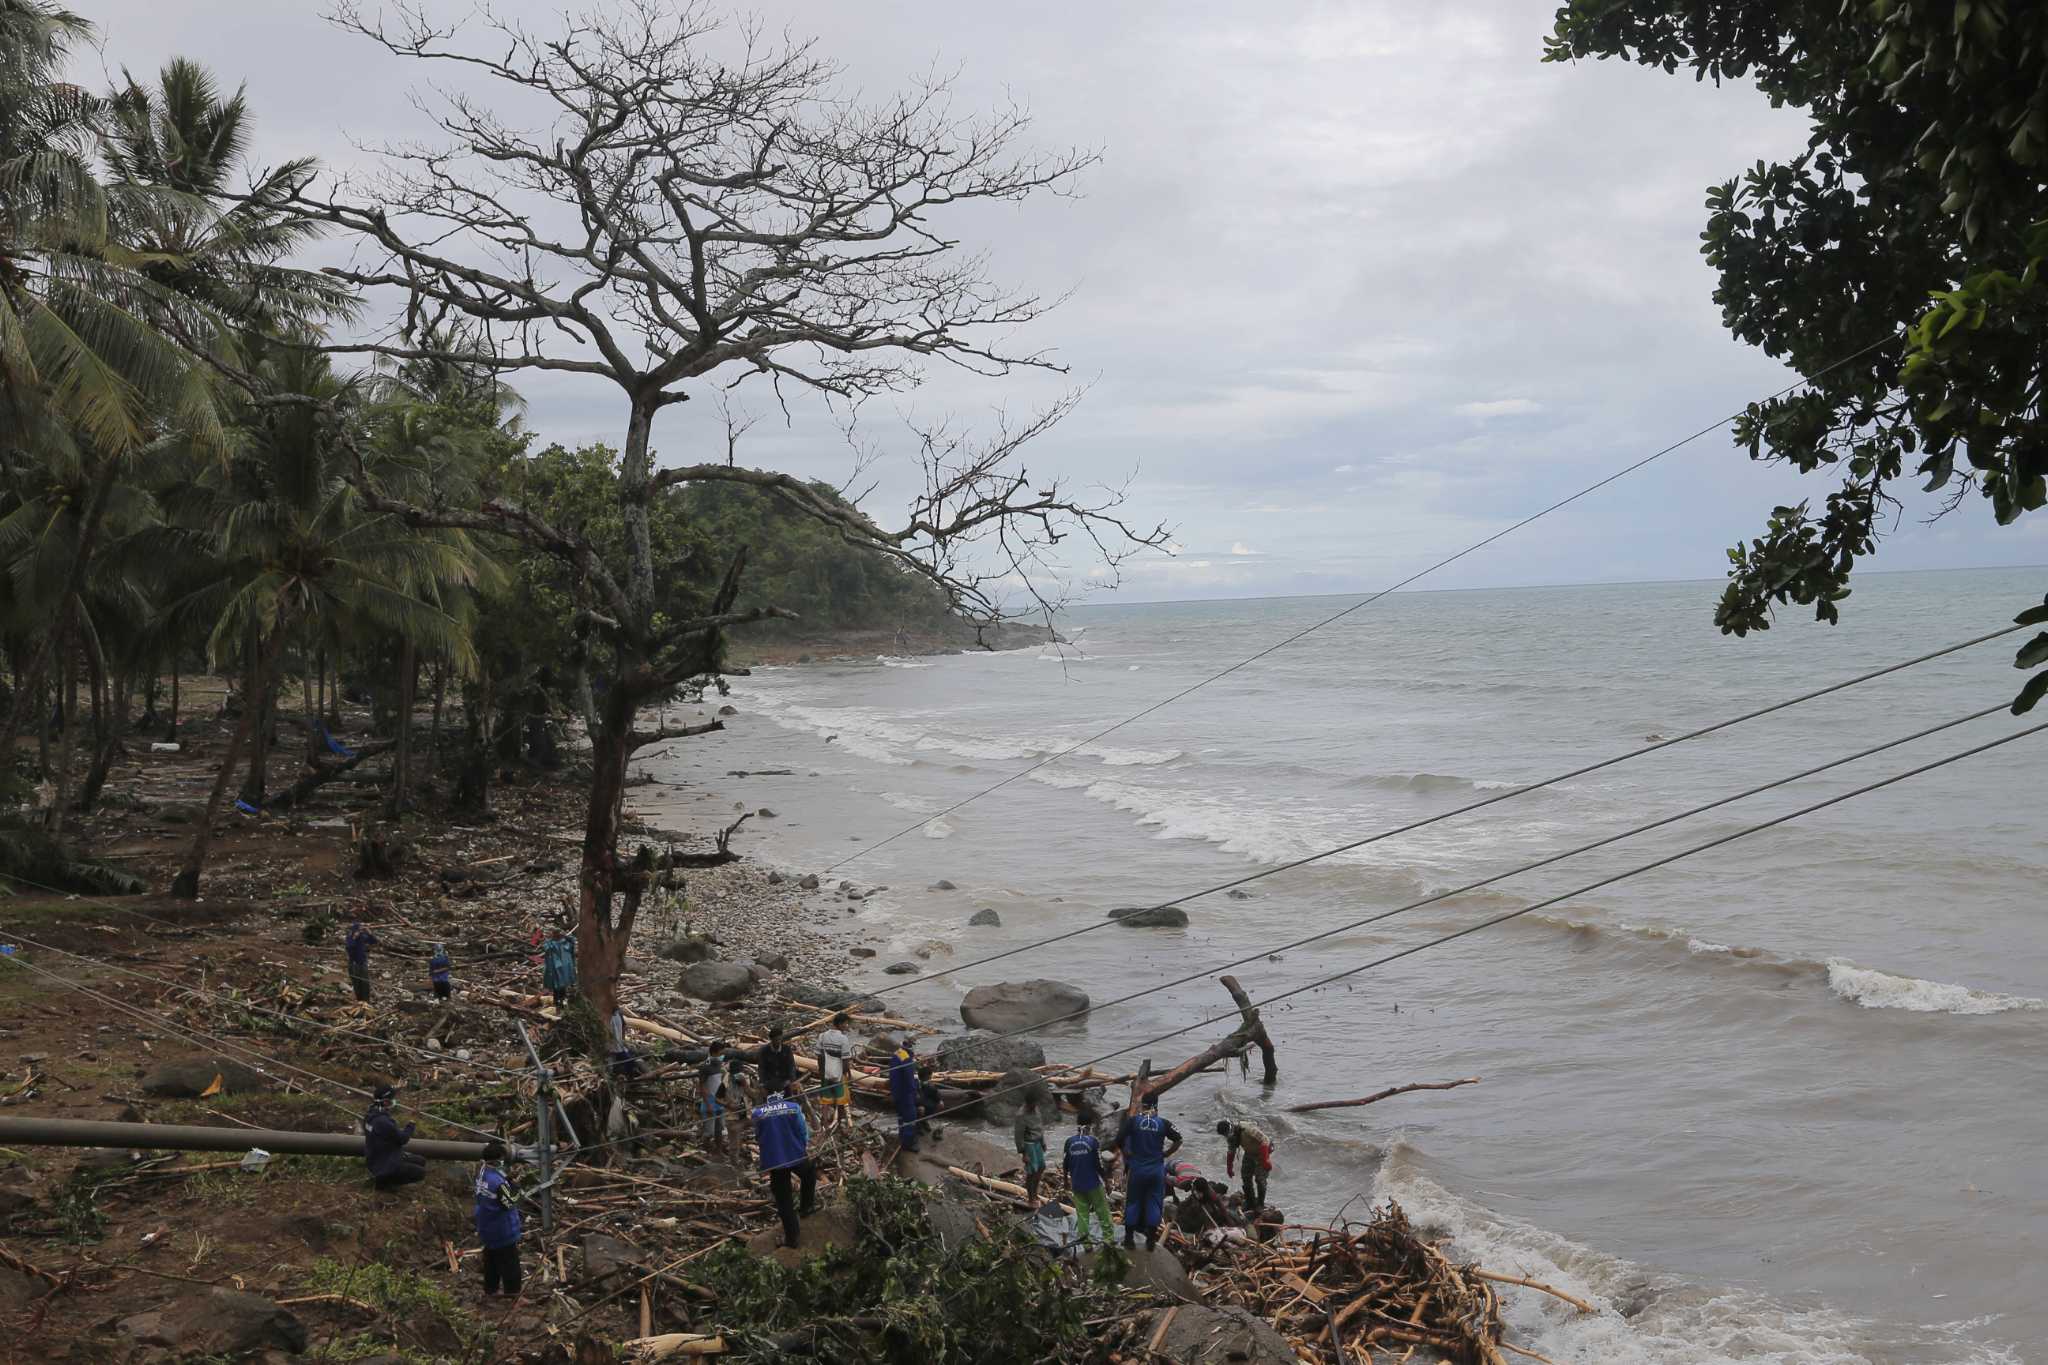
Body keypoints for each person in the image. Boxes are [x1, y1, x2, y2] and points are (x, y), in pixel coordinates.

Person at [751, 1080, 819, 1249]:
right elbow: (802, 1131)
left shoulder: (758, 1113)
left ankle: (792, 1237)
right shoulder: (793, 1108)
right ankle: (806, 1206)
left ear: (766, 1093)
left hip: (774, 1159)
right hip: (795, 1153)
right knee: (809, 1172)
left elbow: (758, 1136)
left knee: (784, 1199)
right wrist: (803, 1147)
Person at [1115, 1093, 1182, 1251]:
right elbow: (1178, 1139)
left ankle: (1129, 1239)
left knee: (1133, 1202)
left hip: (1137, 1168)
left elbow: (1118, 1139)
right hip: (1156, 1169)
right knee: (1154, 1202)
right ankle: (1151, 1240)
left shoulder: (1133, 1122)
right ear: (1156, 1105)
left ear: (1142, 1104)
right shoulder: (1163, 1123)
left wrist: (1127, 1153)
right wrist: (1166, 1153)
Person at [473, 1141, 522, 1296]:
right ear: (497, 1160)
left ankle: (490, 1291)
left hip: (486, 1225)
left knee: (491, 1262)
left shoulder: (482, 1173)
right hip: (502, 1229)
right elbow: (509, 1202)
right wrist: (516, 1187)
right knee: (510, 1264)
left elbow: (494, 1188)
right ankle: (513, 1294)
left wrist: (507, 1178)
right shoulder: (497, 1182)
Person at [1062, 1107, 1116, 1246]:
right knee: (1102, 1211)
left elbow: (1065, 1164)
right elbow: (1098, 1164)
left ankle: (1086, 1243)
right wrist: (1107, 1180)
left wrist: (1066, 1182)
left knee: (1082, 1214)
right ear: (1090, 1125)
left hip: (1077, 1184)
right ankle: (1108, 1239)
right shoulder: (1093, 1142)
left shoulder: (1069, 1142)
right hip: (1093, 1184)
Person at [361, 1085, 425, 1191]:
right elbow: (403, 1139)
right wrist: (412, 1121)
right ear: (386, 1102)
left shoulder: (370, 1114)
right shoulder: (383, 1122)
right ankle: (384, 1183)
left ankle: (385, 1177)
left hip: (376, 1158)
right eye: (392, 1099)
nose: (394, 1101)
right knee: (421, 1173)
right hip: (385, 1165)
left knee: (421, 1161)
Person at [1217, 1119, 1274, 1212]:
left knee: (1260, 1179)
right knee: (1246, 1177)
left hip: (1263, 1152)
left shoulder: (1247, 1129)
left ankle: (1260, 1204)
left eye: (1228, 1133)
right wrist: (1229, 1168)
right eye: (1225, 1135)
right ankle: (1250, 1202)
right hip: (1249, 1153)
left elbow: (1265, 1141)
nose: (1228, 1136)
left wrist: (1265, 1160)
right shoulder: (1231, 1138)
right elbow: (1231, 1151)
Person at [815, 1012, 853, 1129]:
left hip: (825, 1072)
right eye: (846, 1024)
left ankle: (824, 1122)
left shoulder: (822, 1036)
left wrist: (822, 1071)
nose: (847, 1026)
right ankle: (840, 1123)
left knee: (825, 1099)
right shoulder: (843, 1039)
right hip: (838, 1073)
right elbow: (845, 1060)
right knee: (841, 1099)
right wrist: (847, 1073)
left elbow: (819, 1055)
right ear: (840, 1024)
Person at [887, 1035, 921, 1153]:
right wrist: (915, 1092)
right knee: (910, 1117)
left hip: (896, 1091)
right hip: (905, 1092)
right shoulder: (906, 1058)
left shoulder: (897, 1053)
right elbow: (909, 1078)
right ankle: (908, 1143)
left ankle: (902, 1138)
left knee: (901, 1116)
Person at [1012, 1095, 1048, 1204]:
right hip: (1029, 1145)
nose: (1035, 1106)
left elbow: (1039, 1127)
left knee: (1041, 1168)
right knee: (1031, 1172)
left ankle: (1035, 1193)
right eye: (1033, 1104)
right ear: (1028, 1104)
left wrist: (1043, 1142)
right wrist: (1024, 1153)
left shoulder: (1036, 1110)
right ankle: (1031, 1198)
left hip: (1037, 1143)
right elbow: (1018, 1136)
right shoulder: (1021, 1115)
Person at [697, 1040, 731, 1153]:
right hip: (709, 1102)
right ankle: (706, 1149)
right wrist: (708, 1105)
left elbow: (719, 1083)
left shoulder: (719, 1065)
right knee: (709, 1132)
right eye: (721, 1053)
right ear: (715, 1052)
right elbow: (702, 1087)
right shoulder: (706, 1067)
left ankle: (719, 1151)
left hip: (719, 1101)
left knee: (719, 1129)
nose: (722, 1056)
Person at [541, 922, 576, 1009]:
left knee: (563, 986)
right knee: (557, 987)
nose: (557, 935)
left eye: (558, 934)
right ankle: (557, 1002)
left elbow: (573, 941)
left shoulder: (565, 943)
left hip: (564, 969)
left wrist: (566, 936)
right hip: (555, 969)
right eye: (555, 934)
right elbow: (546, 948)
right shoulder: (550, 943)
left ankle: (562, 1001)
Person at [756, 1024, 797, 1097]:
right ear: (771, 1040)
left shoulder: (786, 1050)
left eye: (779, 1039)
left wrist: (792, 1080)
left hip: (784, 1082)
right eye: (776, 1040)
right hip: (770, 1083)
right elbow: (761, 1068)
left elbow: (791, 1065)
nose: (778, 1042)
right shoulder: (764, 1051)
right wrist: (762, 1083)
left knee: (788, 1102)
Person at [344, 921, 377, 1003]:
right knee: (357, 983)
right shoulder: (350, 938)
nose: (360, 932)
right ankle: (360, 1000)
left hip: (362, 962)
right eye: (359, 930)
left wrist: (369, 932)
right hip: (354, 964)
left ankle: (366, 1001)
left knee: (365, 983)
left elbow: (374, 941)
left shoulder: (362, 937)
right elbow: (349, 947)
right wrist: (354, 937)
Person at [916, 1064, 942, 1138]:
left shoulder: (929, 1085)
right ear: (926, 1076)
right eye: (929, 1075)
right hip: (917, 1105)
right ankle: (918, 1125)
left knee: (938, 1105)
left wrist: (939, 1100)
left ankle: (924, 1120)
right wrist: (920, 1104)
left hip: (925, 1103)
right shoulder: (916, 1085)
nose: (930, 1077)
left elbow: (935, 1093)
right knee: (921, 1109)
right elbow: (917, 1098)